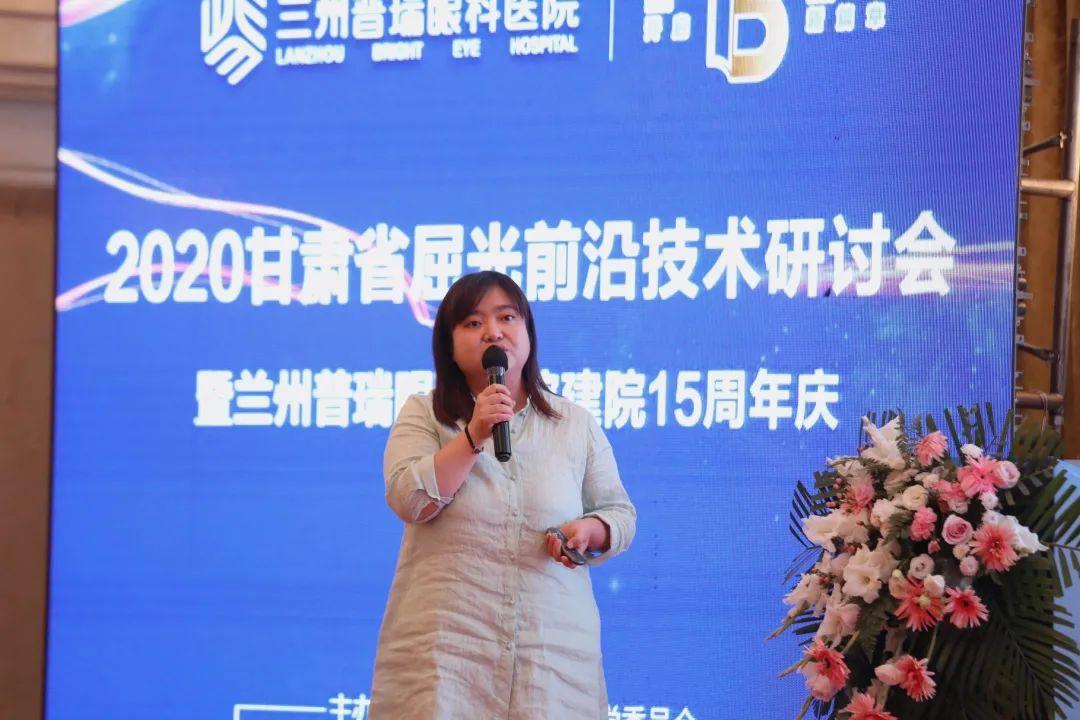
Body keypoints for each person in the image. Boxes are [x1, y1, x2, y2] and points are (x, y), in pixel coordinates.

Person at [368, 271, 637, 719]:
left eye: (507, 317)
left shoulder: (574, 424)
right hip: (448, 658)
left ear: (528, 332)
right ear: (449, 346)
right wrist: (474, 434)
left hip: (551, 658)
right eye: (473, 323)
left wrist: (592, 530)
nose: (493, 331)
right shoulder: (424, 414)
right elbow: (408, 500)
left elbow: (620, 513)